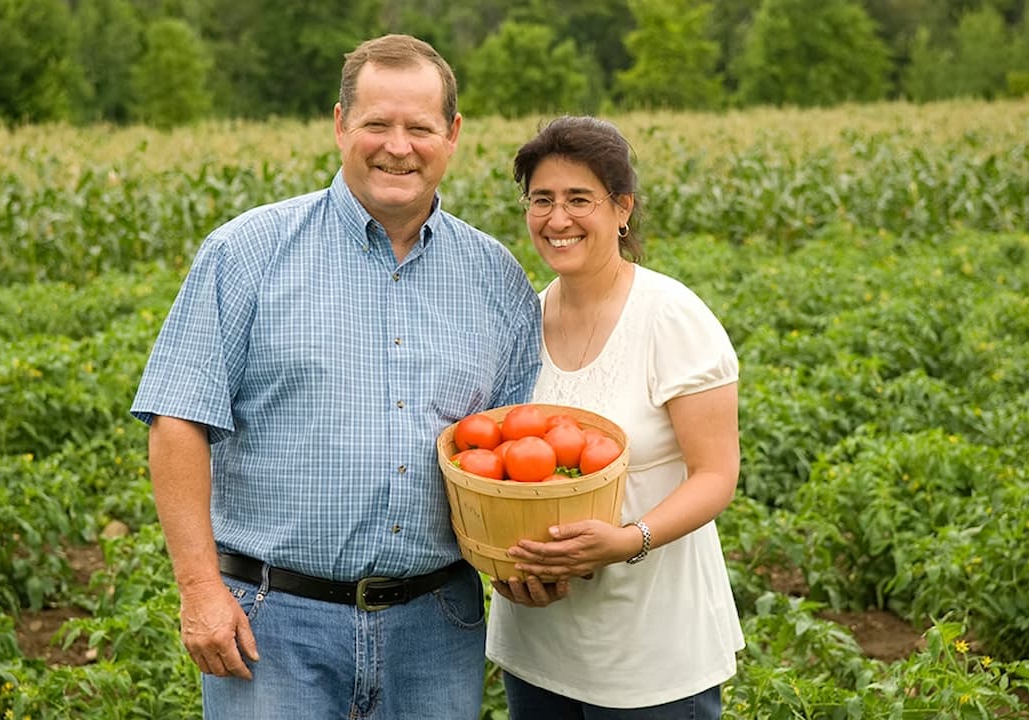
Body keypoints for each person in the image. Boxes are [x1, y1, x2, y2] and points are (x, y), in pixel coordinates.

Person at [130, 34, 542, 720]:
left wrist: (528, 564)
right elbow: (178, 421)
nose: (398, 146)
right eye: (377, 123)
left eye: (419, 127)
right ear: (340, 125)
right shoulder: (247, 253)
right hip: (273, 624)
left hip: (438, 623)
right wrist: (200, 590)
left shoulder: (495, 277)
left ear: (454, 134)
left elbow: (509, 458)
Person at [485, 116, 745, 719]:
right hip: (538, 641)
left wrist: (628, 541)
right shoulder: (522, 319)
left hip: (650, 649)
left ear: (622, 208)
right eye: (542, 200)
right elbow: (502, 469)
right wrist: (508, 563)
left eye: (580, 199)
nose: (558, 220)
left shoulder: (671, 317)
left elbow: (715, 474)